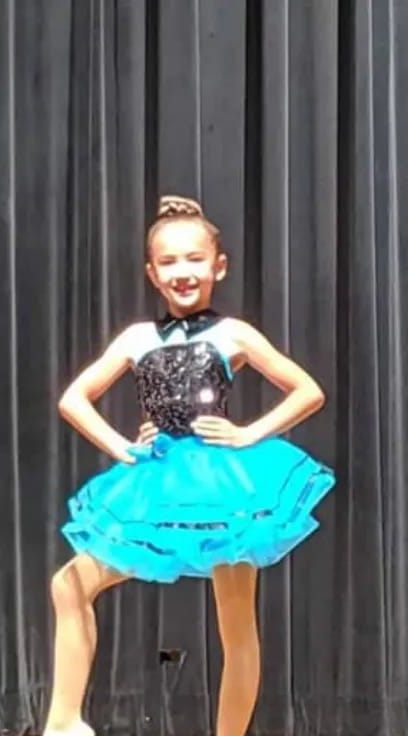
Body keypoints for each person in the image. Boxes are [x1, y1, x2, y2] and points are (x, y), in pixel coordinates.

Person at [44, 195, 334, 736]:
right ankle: (63, 723)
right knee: (70, 585)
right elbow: (74, 398)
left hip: (223, 485)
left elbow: (307, 390)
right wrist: (122, 448)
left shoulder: (233, 334)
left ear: (217, 266)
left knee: (236, 623)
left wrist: (248, 433)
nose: (184, 272)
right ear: (152, 273)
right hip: (156, 480)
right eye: (170, 262)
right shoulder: (136, 338)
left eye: (195, 259)